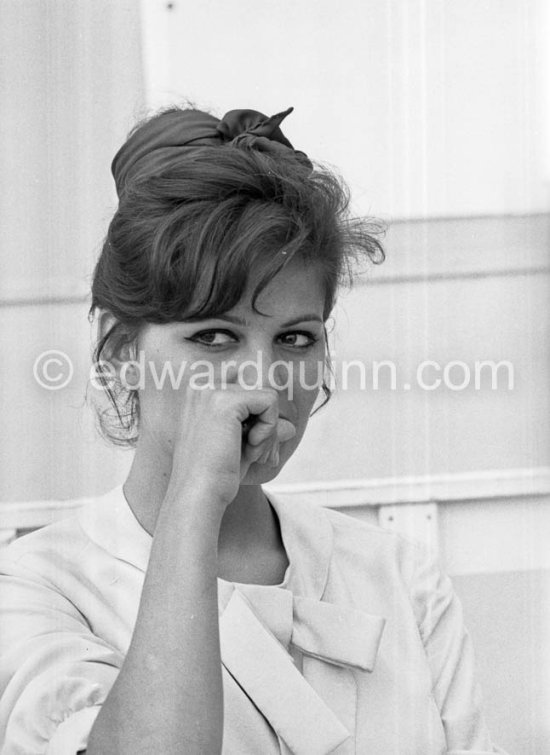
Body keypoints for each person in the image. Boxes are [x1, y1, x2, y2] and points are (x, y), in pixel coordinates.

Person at [0, 105, 506, 754]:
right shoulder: (40, 587)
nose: (264, 384)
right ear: (122, 348)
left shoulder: (400, 578)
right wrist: (196, 496)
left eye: (296, 338)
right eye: (215, 336)